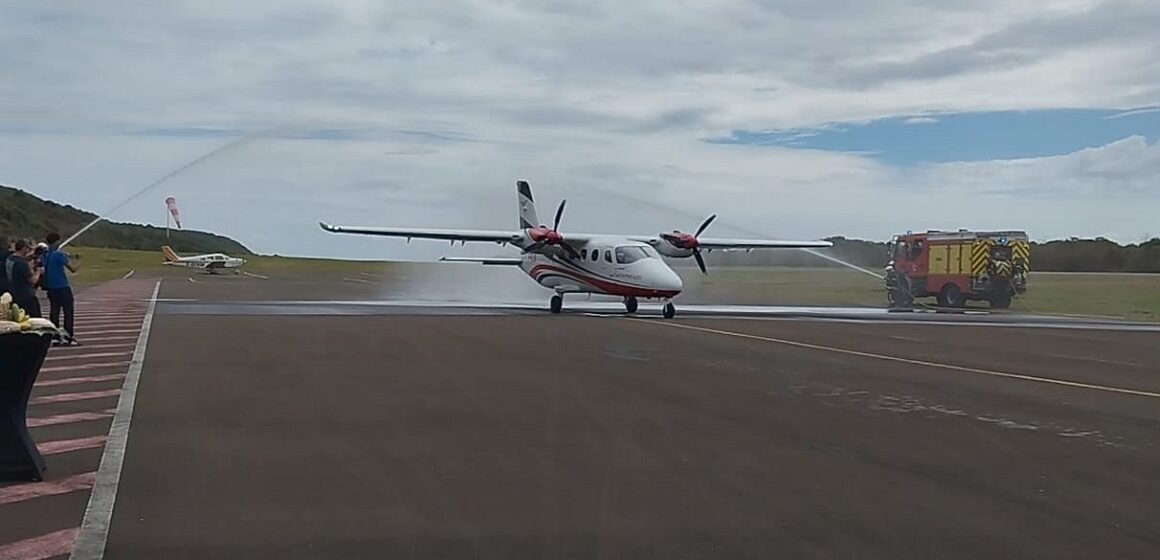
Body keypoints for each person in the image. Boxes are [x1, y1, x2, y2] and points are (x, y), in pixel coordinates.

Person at [43, 233, 81, 345]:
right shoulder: (59, 255)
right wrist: (80, 264)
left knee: (54, 311)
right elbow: (72, 269)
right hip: (62, 287)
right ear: (56, 242)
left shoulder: (46, 255)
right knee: (68, 311)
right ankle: (68, 336)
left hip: (51, 288)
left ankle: (54, 336)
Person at [5, 239, 42, 318]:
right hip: (26, 296)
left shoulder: (9, 259)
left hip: (13, 294)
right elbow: (32, 281)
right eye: (28, 248)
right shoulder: (22, 263)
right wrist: (38, 271)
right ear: (24, 248)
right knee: (35, 318)